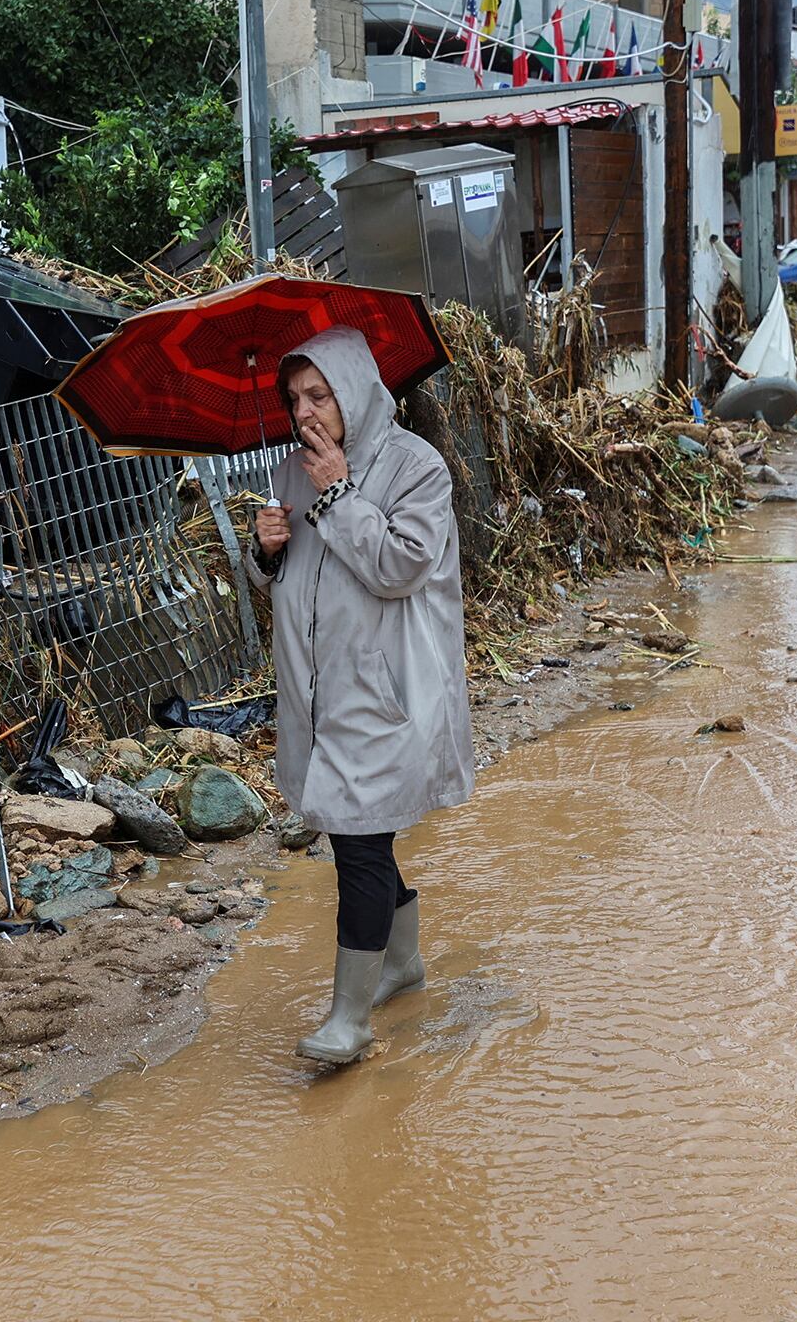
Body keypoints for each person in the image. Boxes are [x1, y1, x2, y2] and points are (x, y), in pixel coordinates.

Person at [247, 326, 475, 1066]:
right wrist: (266, 550)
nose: (305, 411)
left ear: (354, 391)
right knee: (357, 830)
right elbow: (292, 586)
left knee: (359, 840)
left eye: (320, 395)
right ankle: (403, 966)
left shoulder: (418, 467)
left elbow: (400, 566)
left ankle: (349, 1021)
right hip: (318, 690)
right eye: (293, 399)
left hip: (385, 688)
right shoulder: (289, 473)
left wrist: (340, 491)